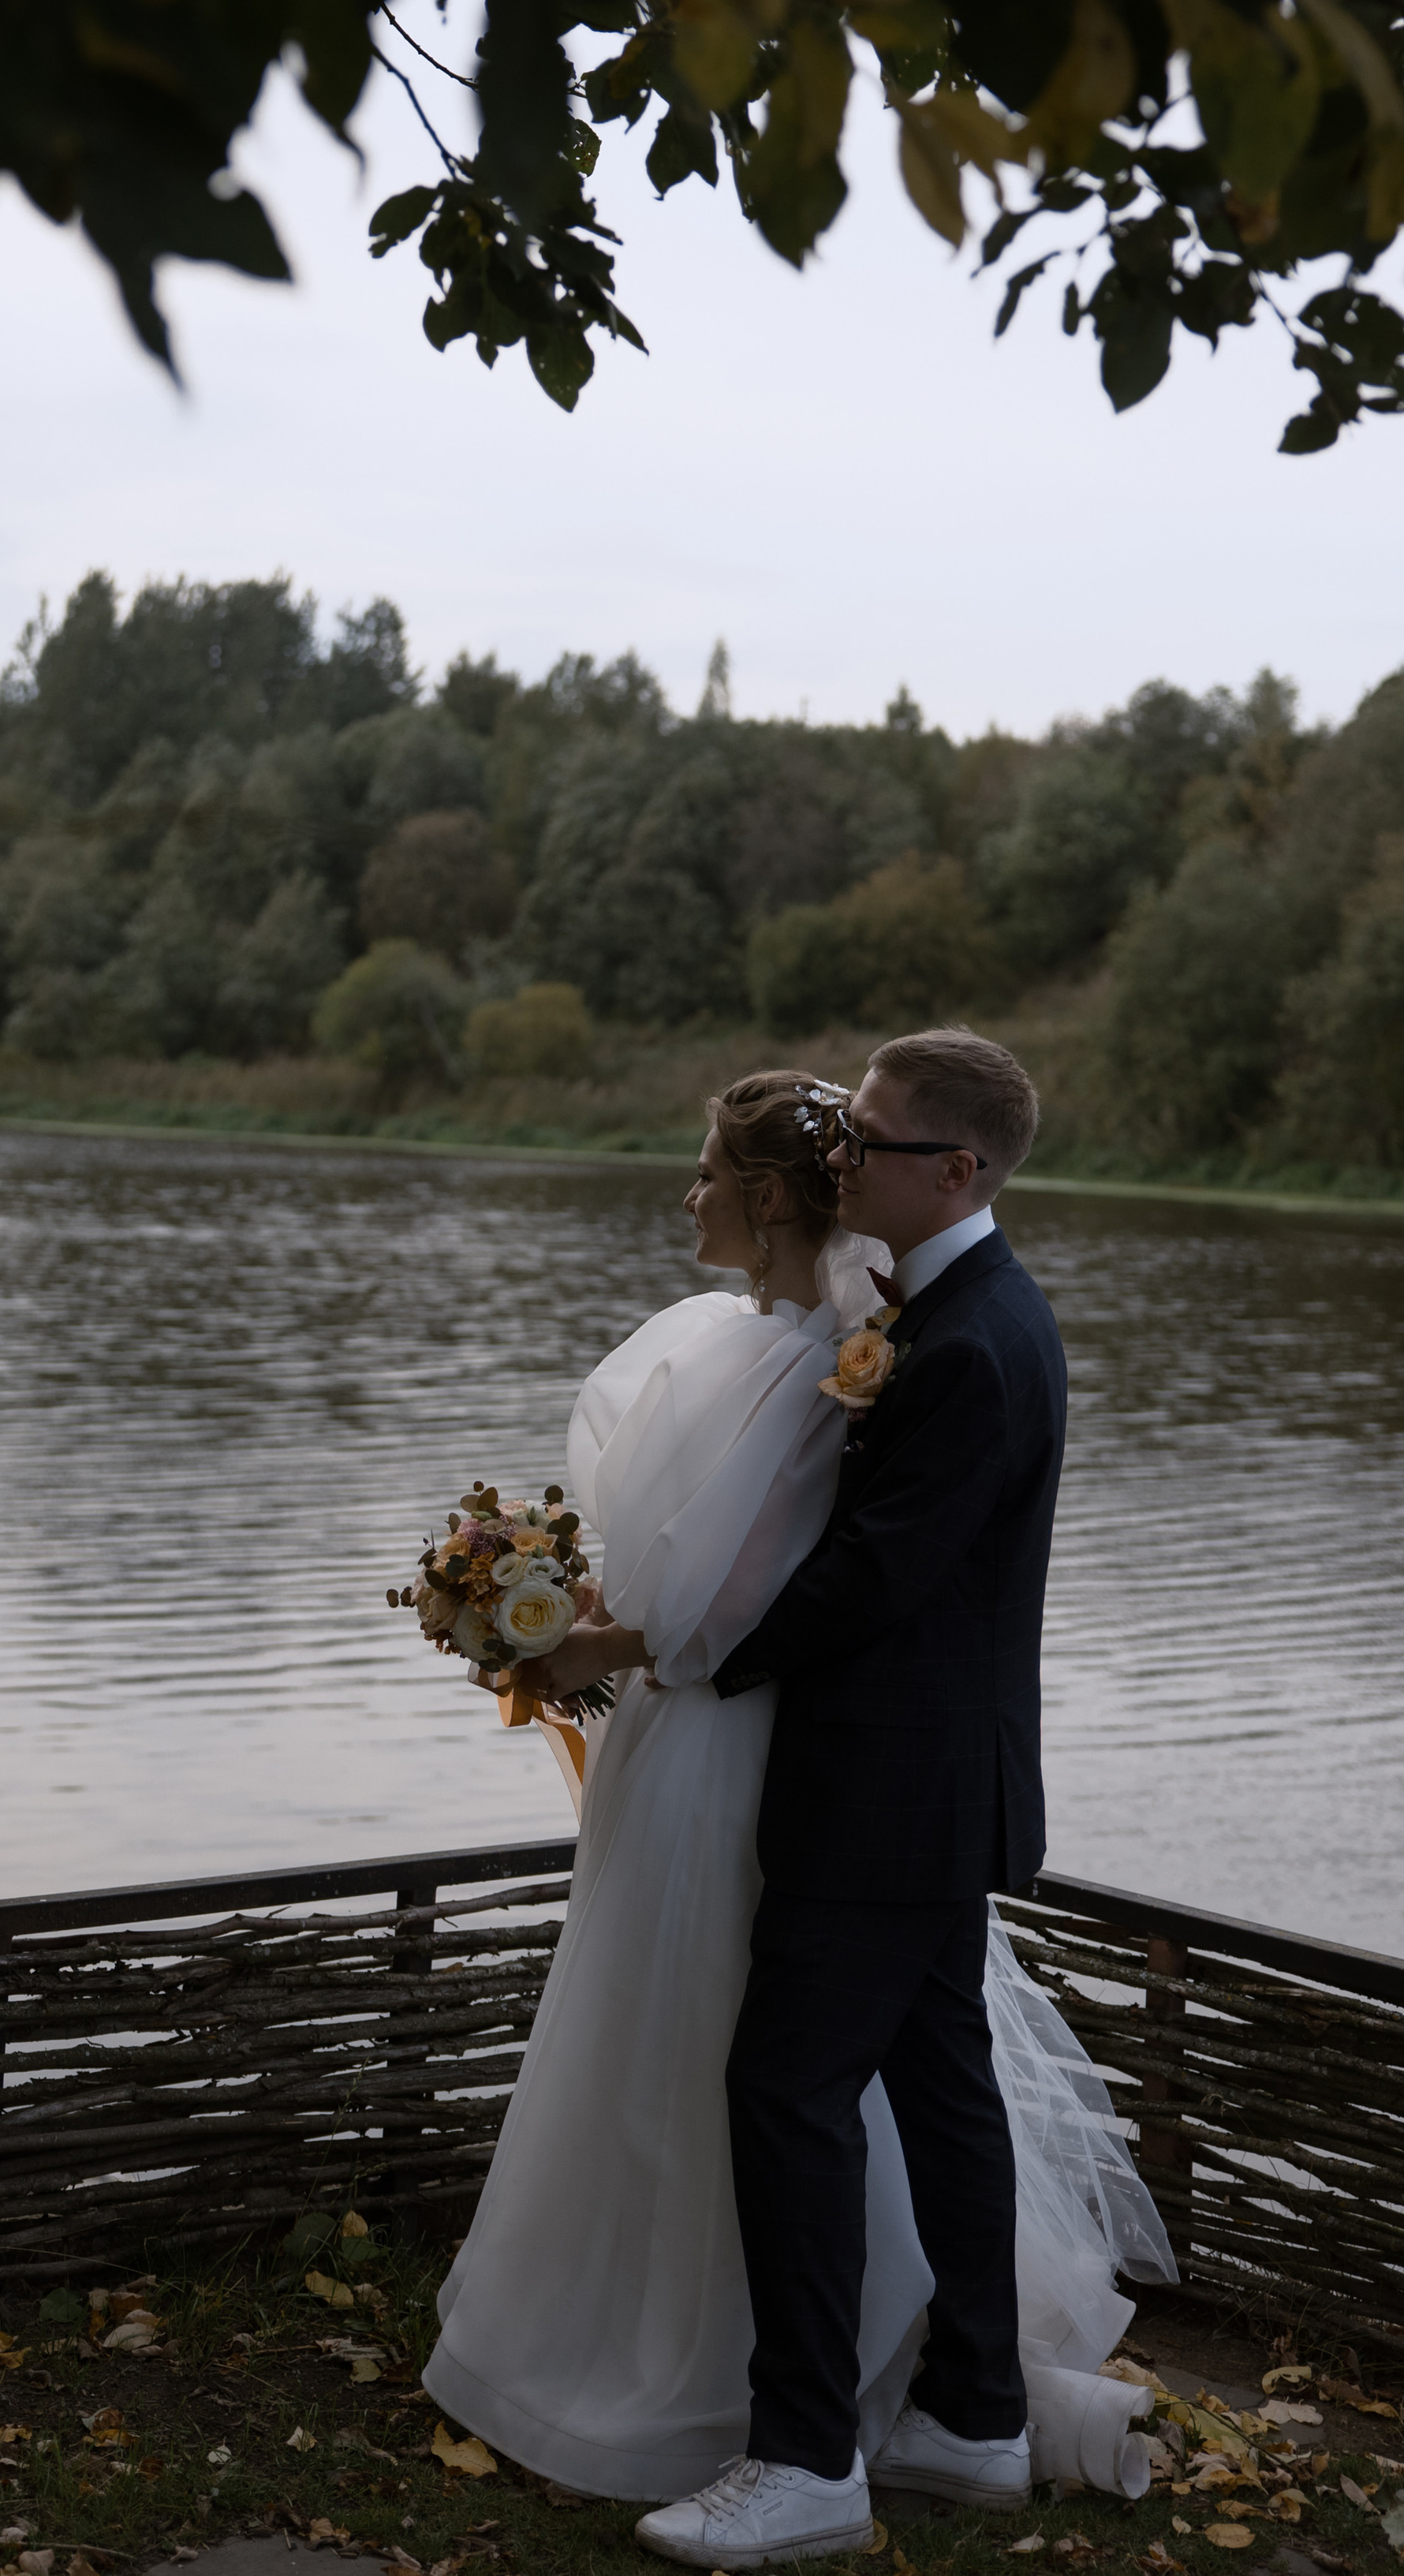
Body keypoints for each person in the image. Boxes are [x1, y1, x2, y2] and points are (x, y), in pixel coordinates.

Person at [420, 1050, 1171, 2545]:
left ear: (951, 1168)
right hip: (910, 1779)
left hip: (884, 1788)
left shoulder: (958, 1344)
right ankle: (971, 2413)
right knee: (945, 2093)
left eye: (869, 1146)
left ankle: (810, 2463)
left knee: (786, 2093)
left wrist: (643, 1649)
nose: (844, 1169)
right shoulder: (926, 1317)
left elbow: (859, 1587)